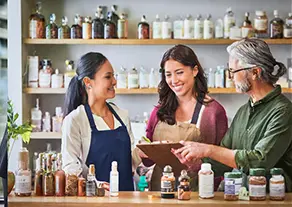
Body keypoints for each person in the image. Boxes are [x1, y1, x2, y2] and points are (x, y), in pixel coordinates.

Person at [173, 38, 292, 192]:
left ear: (255, 72)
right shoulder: (244, 111)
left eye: (233, 71)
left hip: (273, 200)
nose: (230, 78)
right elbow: (225, 159)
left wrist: (207, 149)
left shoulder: (283, 111)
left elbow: (260, 161)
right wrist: (195, 162)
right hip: (241, 198)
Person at [140, 44, 228, 191]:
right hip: (160, 192)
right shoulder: (158, 111)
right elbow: (148, 161)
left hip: (198, 194)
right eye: (168, 74)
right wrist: (144, 152)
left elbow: (223, 162)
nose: (174, 80)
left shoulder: (213, 112)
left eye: (179, 72)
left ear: (194, 70)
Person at [61, 52, 140, 191]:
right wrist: (96, 186)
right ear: (88, 82)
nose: (114, 81)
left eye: (113, 76)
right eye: (108, 77)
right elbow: (70, 168)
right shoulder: (75, 120)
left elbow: (129, 164)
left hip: (127, 198)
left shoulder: (122, 115)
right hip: (94, 200)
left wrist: (142, 153)